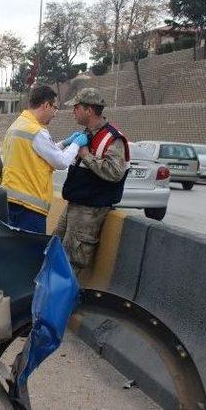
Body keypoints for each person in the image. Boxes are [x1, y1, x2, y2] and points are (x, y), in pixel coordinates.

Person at [54, 88, 130, 274]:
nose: (73, 111)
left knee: (71, 262)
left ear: (89, 110)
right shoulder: (87, 134)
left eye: (77, 107)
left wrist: (86, 155)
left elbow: (114, 172)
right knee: (54, 249)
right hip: (74, 204)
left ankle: (64, 301)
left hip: (90, 210)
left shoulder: (112, 138)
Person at [1, 85, 88, 233]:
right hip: (29, 209)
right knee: (32, 254)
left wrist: (64, 143)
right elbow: (61, 162)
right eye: (55, 108)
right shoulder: (36, 131)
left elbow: (39, 152)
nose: (55, 114)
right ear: (46, 105)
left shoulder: (17, 125)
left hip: (10, 202)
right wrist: (75, 144)